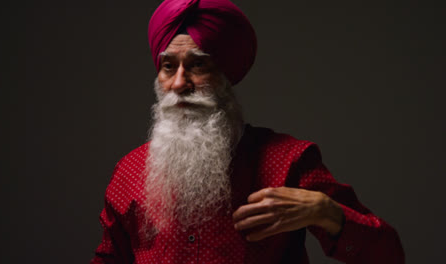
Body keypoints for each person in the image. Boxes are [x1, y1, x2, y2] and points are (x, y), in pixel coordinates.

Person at [90, 0, 404, 263]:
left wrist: (325, 211)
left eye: (198, 66)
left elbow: (387, 254)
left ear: (227, 75)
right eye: (168, 67)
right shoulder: (129, 172)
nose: (179, 84)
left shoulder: (289, 160)